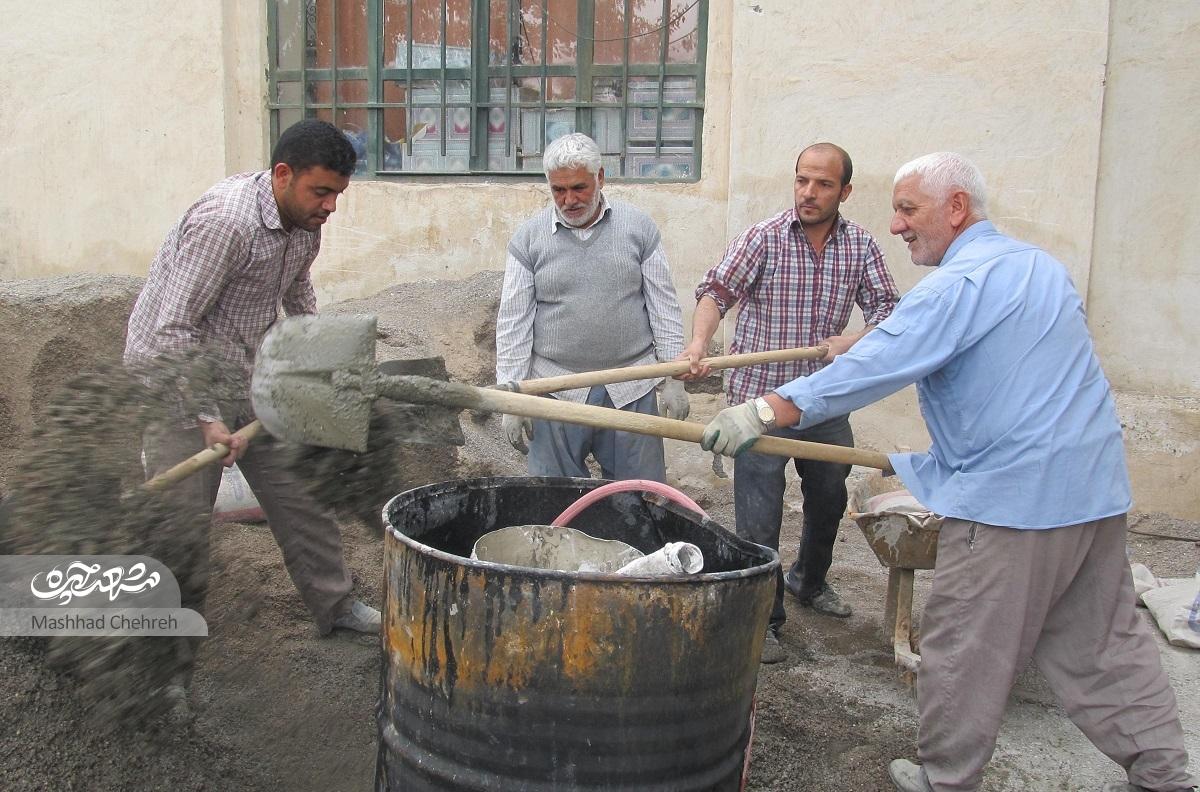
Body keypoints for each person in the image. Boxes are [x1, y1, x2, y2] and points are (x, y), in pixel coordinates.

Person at [700, 152, 1195, 792]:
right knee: (1106, 645)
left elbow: (879, 360)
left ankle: (946, 778)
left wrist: (764, 410)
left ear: (955, 208)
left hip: (1012, 507)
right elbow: (1016, 385)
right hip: (1094, 493)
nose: (897, 225)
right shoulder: (1039, 266)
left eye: (908, 210)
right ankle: (1164, 775)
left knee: (964, 647)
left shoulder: (956, 285)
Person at [124, 120, 382, 705]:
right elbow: (172, 328)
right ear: (283, 175)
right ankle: (164, 667)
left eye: (339, 194)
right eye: (321, 192)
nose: (330, 207)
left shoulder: (303, 224)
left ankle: (335, 605)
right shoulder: (226, 223)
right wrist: (206, 417)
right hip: (177, 382)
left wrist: (318, 362)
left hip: (248, 370)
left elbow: (298, 296)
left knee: (303, 495)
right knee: (179, 531)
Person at [680, 142, 898, 662]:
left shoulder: (860, 248)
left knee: (829, 502)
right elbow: (715, 292)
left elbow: (890, 313)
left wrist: (855, 341)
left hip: (823, 403)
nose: (809, 192)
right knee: (759, 517)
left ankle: (809, 581)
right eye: (802, 180)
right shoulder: (765, 238)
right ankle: (765, 618)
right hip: (757, 407)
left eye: (823, 184)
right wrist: (698, 344)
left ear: (844, 191)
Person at [495, 132, 688, 481]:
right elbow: (513, 322)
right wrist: (512, 397)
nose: (569, 200)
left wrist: (674, 378)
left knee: (640, 501)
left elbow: (664, 307)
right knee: (555, 503)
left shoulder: (638, 228)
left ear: (600, 178)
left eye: (579, 188)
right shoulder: (528, 239)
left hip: (631, 386)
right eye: (558, 190)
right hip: (554, 390)